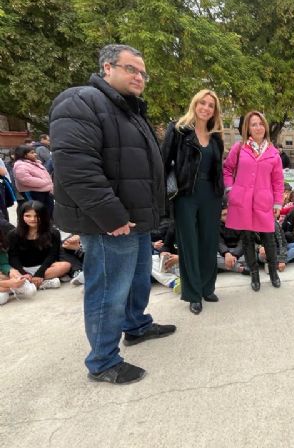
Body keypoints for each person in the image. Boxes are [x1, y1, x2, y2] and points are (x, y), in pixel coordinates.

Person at [49, 44, 175, 385]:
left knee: (135, 280)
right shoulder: (81, 102)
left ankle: (136, 326)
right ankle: (103, 361)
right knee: (108, 289)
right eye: (131, 69)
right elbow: (77, 169)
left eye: (143, 72)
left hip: (133, 220)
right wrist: (112, 217)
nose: (139, 77)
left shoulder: (127, 110)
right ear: (107, 67)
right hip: (110, 224)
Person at [161, 89, 225, 315]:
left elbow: (218, 169)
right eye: (202, 103)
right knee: (189, 244)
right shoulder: (178, 130)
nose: (206, 108)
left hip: (212, 195)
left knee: (208, 242)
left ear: (214, 111)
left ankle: (208, 288)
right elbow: (163, 162)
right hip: (186, 194)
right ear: (194, 104)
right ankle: (193, 293)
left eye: (211, 105)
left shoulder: (216, 136)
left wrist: (222, 194)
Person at [223, 111, 284, 291]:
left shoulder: (273, 153)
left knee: (269, 239)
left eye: (260, 124)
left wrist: (278, 203)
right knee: (248, 239)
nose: (258, 127)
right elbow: (227, 169)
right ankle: (254, 274)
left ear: (265, 126)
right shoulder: (239, 147)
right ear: (247, 128)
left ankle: (273, 272)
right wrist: (230, 190)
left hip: (264, 202)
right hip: (243, 201)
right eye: (253, 124)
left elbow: (278, 181)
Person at [8, 201, 71, 289]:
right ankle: (41, 283)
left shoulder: (53, 233)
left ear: (43, 216)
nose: (32, 219)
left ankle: (30, 283)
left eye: (37, 216)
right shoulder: (13, 234)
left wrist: (40, 273)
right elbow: (13, 257)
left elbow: (52, 255)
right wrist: (23, 273)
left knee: (65, 265)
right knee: (12, 272)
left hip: (45, 268)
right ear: (21, 216)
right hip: (23, 269)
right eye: (28, 216)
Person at [12, 144, 54, 216]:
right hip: (33, 192)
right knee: (37, 212)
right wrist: (44, 182)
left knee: (48, 210)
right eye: (32, 153)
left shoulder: (35, 163)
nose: (35, 154)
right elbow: (25, 179)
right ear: (24, 155)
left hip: (44, 191)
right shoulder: (20, 165)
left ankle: (48, 225)